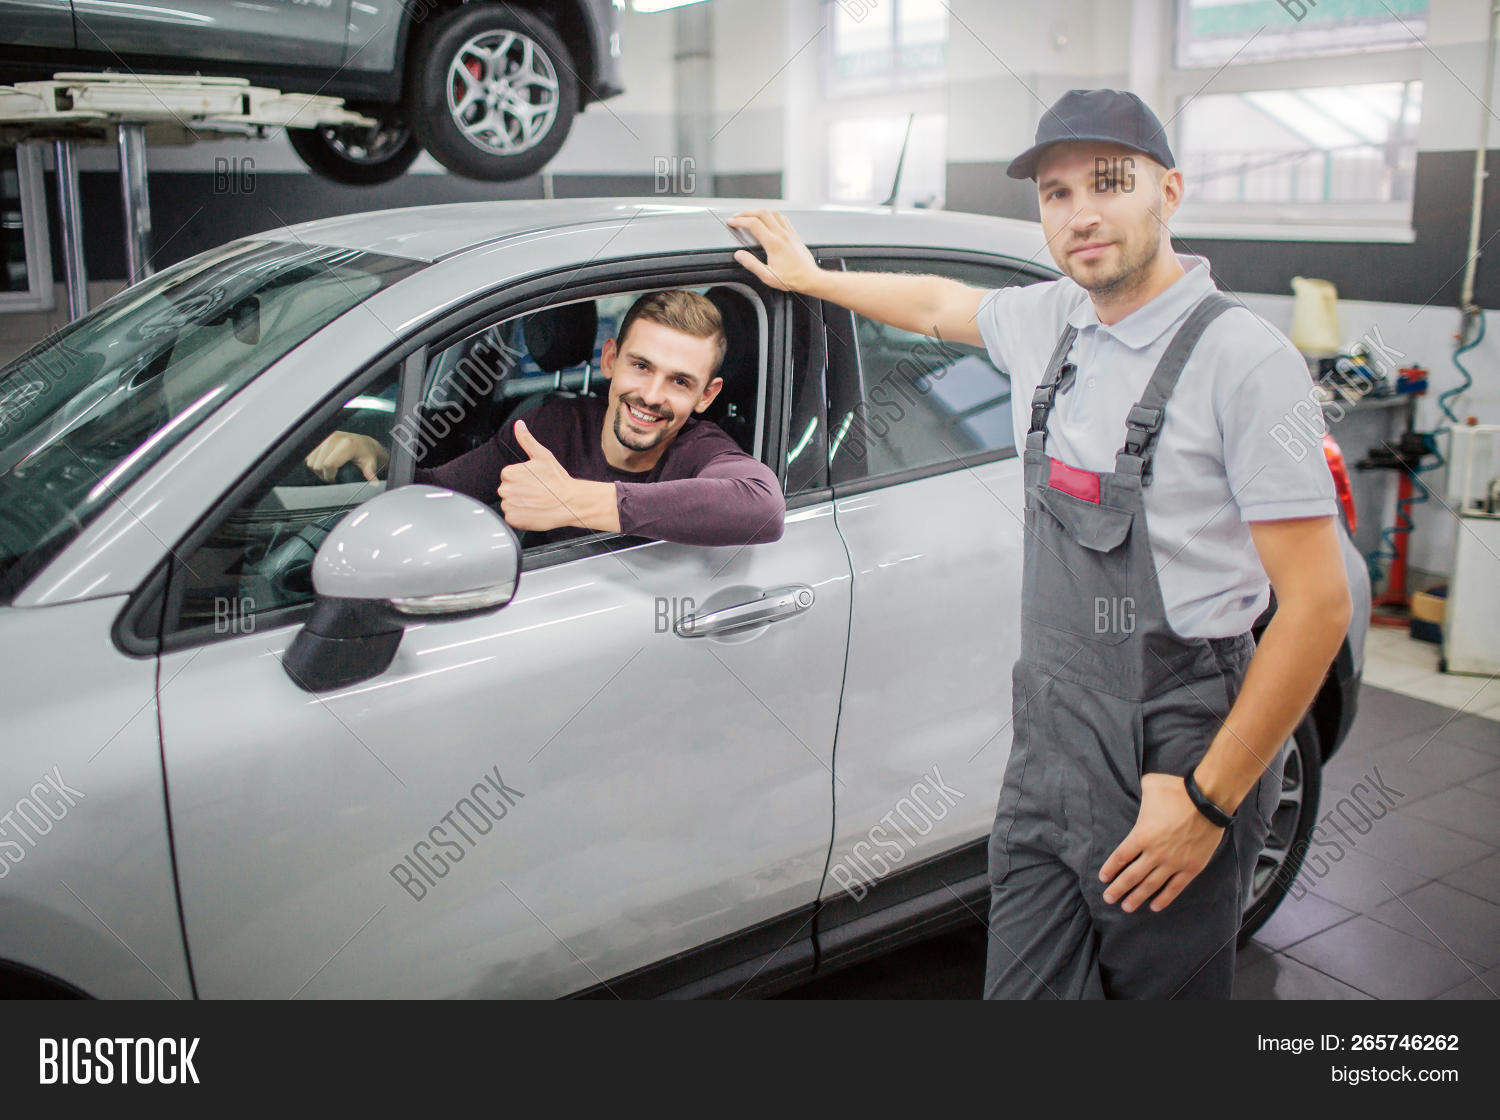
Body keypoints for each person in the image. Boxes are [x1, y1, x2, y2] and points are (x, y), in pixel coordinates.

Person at [728, 88, 1352, 999]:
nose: (1081, 212)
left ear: (1169, 191)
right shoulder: (1053, 322)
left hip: (1175, 737)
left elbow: (1319, 606)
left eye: (1109, 182)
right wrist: (810, 278)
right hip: (1048, 736)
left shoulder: (1244, 362)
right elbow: (939, 303)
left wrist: (1210, 799)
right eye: (1056, 194)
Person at [305, 289, 785, 548]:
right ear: (610, 360)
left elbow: (762, 507)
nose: (652, 396)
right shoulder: (551, 427)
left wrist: (574, 501)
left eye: (680, 382)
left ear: (707, 395)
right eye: (641, 366)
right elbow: (442, 493)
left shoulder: (702, 449)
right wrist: (382, 458)